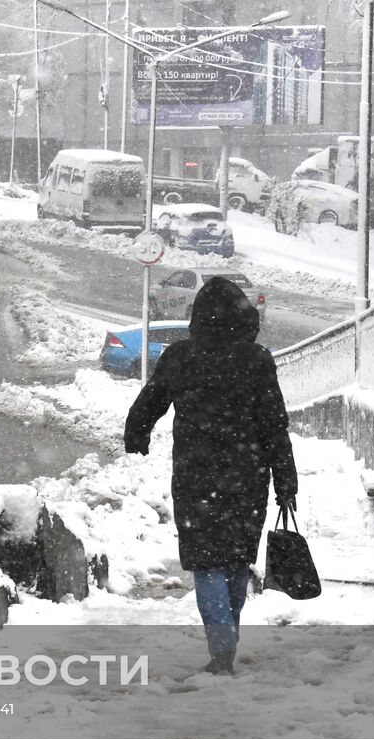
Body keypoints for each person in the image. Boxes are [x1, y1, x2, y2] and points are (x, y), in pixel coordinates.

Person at [124, 277, 297, 676]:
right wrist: (285, 479)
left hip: (195, 475)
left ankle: (221, 644)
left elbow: (150, 400)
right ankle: (227, 637)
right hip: (248, 474)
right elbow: (274, 425)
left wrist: (137, 434)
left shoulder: (181, 356)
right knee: (236, 561)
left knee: (207, 564)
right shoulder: (257, 360)